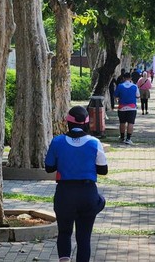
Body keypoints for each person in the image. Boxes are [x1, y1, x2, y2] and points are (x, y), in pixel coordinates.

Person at [45, 106, 108, 262]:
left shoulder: (57, 141)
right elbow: (103, 170)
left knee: (64, 232)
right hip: (87, 193)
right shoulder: (95, 142)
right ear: (86, 123)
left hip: (65, 194)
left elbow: (49, 167)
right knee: (84, 238)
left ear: (68, 122)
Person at [114, 72, 139, 144]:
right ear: (131, 78)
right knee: (131, 123)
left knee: (122, 122)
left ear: (123, 78)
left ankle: (122, 138)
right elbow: (137, 96)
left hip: (122, 107)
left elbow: (115, 95)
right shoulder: (134, 86)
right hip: (132, 107)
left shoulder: (120, 86)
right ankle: (128, 139)